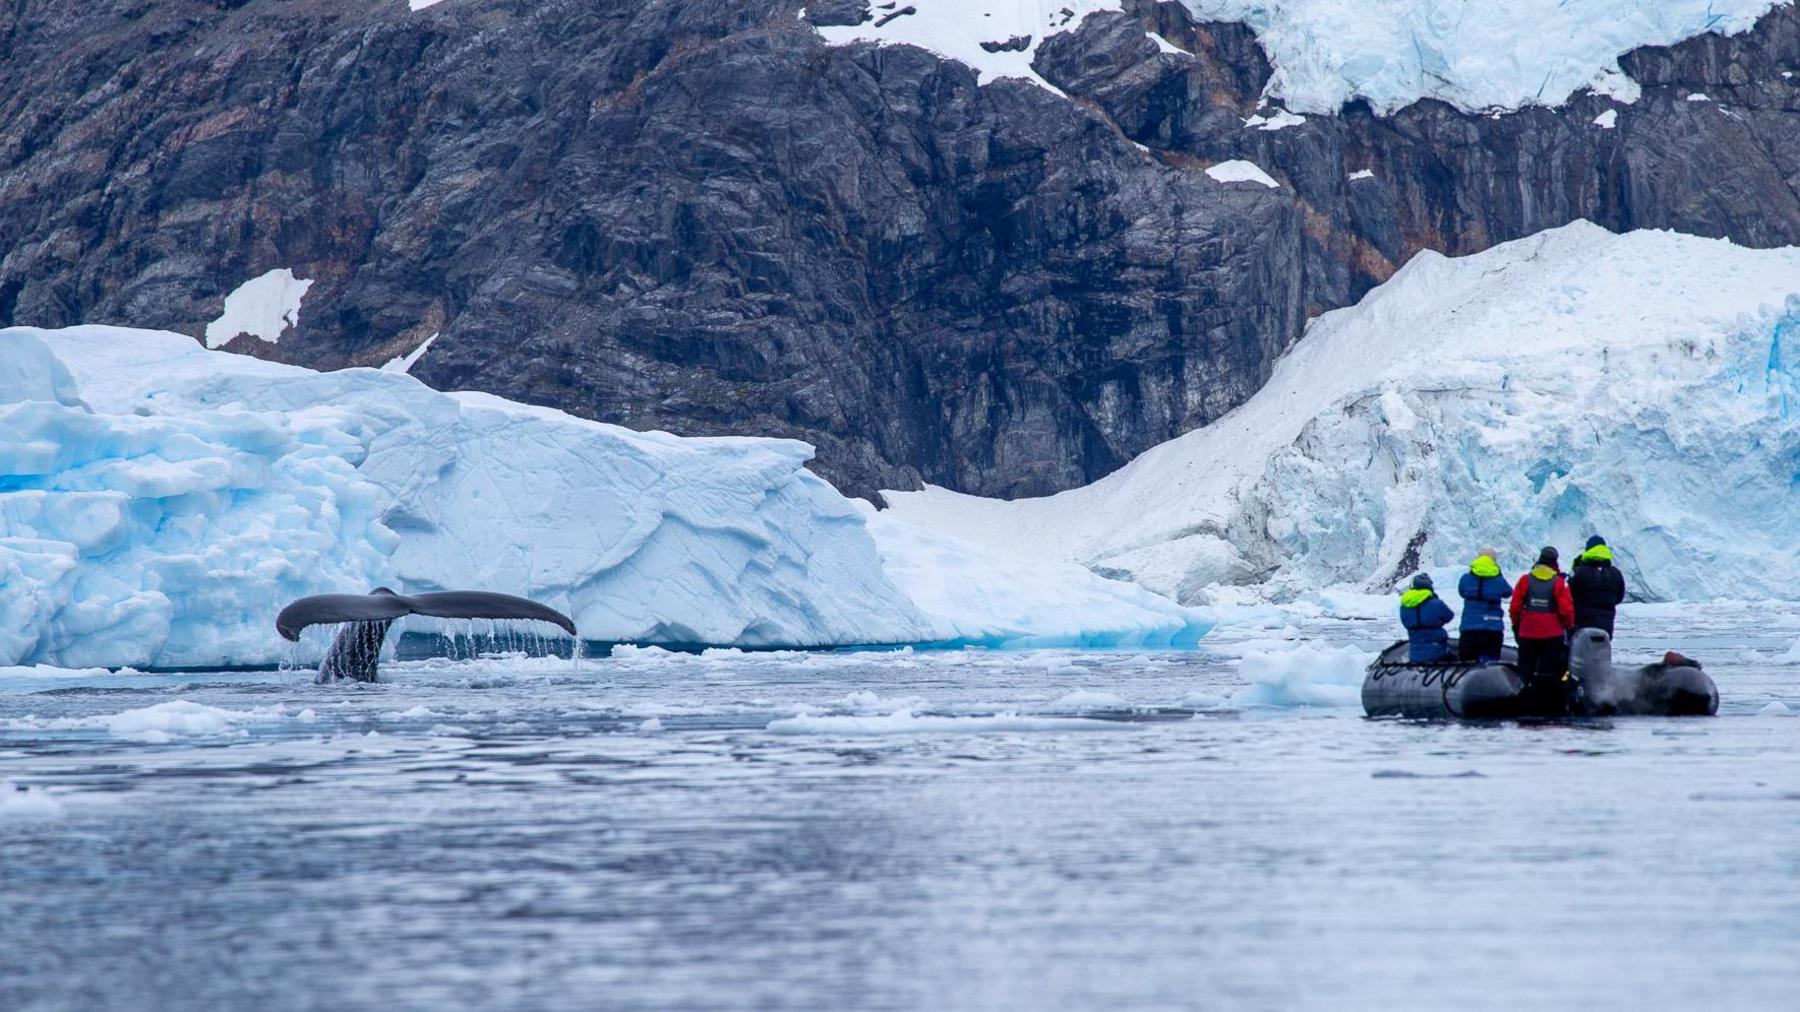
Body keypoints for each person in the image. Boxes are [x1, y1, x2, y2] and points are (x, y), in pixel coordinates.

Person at [1509, 546, 1576, 713]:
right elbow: (1566, 610)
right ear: (1555, 563)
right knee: (1549, 672)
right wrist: (1569, 626)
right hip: (1552, 635)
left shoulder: (1525, 580)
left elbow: (1515, 607)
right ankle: (1548, 704)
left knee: (1526, 669)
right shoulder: (1559, 583)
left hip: (1527, 632)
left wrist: (1516, 626)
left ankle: (1523, 702)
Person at [1457, 547, 1511, 662]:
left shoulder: (1466, 579)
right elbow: (1508, 592)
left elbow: (1462, 591)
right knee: (1490, 665)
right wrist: (1498, 574)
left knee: (1466, 665)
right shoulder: (1498, 581)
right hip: (1492, 628)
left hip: (1469, 627)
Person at [1569, 534, 1627, 636]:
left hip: (1582, 623)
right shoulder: (1615, 573)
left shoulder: (1580, 571)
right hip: (1606, 625)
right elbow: (1619, 598)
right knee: (1601, 650)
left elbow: (1569, 594)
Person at [1399, 573, 1455, 663]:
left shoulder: (1404, 606)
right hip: (1438, 652)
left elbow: (1406, 622)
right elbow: (1449, 616)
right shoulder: (1436, 603)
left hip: (1415, 654)